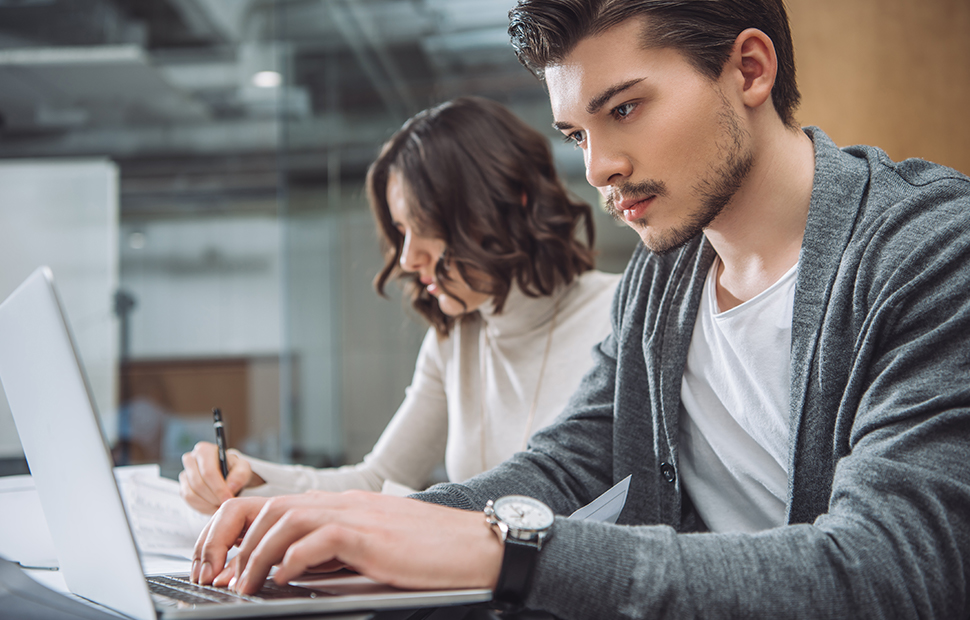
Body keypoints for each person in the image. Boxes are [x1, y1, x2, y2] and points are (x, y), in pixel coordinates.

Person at [189, 1, 970, 617]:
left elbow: (893, 574)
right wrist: (355, 533)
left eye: (624, 109)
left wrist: (510, 551)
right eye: (576, 131)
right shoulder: (659, 281)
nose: (599, 168)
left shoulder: (931, 250)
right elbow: (567, 463)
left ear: (750, 68)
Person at [179, 96, 621, 514]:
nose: (408, 258)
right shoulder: (453, 339)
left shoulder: (620, 313)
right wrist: (247, 476)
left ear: (511, 203)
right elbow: (378, 479)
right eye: (400, 230)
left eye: (425, 224)